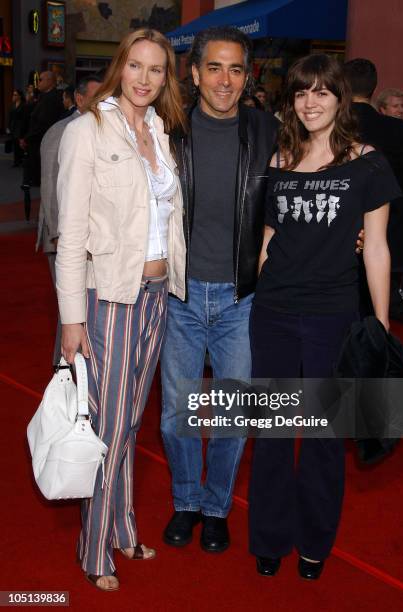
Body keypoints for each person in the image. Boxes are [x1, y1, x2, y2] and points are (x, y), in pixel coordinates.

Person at [248, 54, 400, 579]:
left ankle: (314, 542)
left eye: (321, 92)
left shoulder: (368, 162)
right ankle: (267, 537)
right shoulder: (280, 157)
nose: (309, 102)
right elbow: (270, 237)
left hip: (332, 315)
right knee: (270, 430)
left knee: (322, 436)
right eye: (300, 93)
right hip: (271, 311)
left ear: (340, 98)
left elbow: (377, 248)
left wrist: (379, 323)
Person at [55, 28, 187, 591]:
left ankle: (124, 526)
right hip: (107, 297)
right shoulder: (88, 131)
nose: (145, 78)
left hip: (157, 296)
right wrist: (70, 318)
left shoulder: (159, 130)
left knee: (130, 423)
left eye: (156, 70)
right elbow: (70, 233)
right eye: (136, 66)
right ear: (120, 67)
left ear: (165, 78)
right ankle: (94, 548)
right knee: (109, 423)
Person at [160, 26, 278, 553]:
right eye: (214, 67)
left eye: (235, 69)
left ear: (246, 75)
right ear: (194, 72)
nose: (225, 80)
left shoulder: (267, 130)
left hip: (241, 299)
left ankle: (216, 507)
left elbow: (315, 168)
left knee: (234, 416)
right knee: (175, 415)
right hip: (179, 297)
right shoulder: (168, 129)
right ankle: (186, 501)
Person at [344, 59, 403, 325]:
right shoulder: (397, 131)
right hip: (393, 233)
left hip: (339, 233)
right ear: (373, 88)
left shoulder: (331, 129)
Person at [36, 74, 103, 366]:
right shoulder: (60, 131)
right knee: (70, 307)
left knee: (83, 305)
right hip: (62, 240)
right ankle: (63, 366)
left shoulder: (101, 129)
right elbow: (51, 189)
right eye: (97, 97)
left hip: (88, 239)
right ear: (79, 99)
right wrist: (59, 237)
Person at [20, 71, 63, 186]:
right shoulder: (44, 96)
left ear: (49, 81)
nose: (37, 82)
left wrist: (27, 138)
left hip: (42, 142)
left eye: (40, 80)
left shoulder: (51, 98)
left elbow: (43, 123)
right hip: (37, 141)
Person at [7, 90, 25, 167]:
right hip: (13, 127)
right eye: (13, 95)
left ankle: (20, 160)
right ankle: (16, 161)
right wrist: (8, 126)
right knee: (15, 144)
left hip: (20, 127)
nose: (13, 96)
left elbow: (24, 118)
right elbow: (10, 117)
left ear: (19, 96)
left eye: (15, 95)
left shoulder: (23, 105)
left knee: (20, 145)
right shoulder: (13, 106)